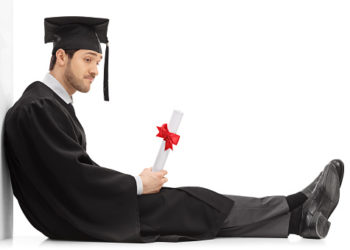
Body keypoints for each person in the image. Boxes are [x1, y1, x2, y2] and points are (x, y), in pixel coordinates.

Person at [3, 16, 344, 243]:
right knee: (193, 203)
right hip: (82, 217)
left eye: (97, 61)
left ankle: (298, 219)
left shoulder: (49, 104)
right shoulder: (37, 107)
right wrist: (135, 185)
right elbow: (71, 177)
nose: (94, 69)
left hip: (82, 212)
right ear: (61, 56)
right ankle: (297, 205)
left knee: (193, 210)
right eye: (88, 59)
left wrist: (132, 184)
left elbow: (72, 172)